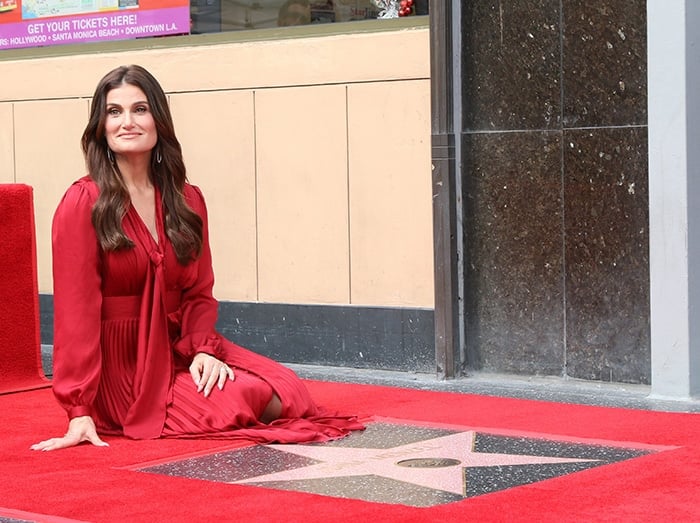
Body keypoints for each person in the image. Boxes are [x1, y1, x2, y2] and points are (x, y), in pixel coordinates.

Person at [31, 65, 363, 451]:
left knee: (286, 389)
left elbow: (200, 290)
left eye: (140, 109)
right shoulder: (83, 202)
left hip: (177, 345)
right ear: (101, 126)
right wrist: (79, 408)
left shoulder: (187, 199)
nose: (127, 122)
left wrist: (202, 349)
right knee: (244, 400)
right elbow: (76, 314)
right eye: (114, 112)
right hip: (122, 367)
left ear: (159, 119)